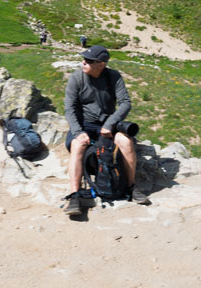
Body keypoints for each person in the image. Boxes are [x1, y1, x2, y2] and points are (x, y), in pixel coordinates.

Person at [63, 45, 150, 214]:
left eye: (89, 61)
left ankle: (131, 187)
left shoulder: (113, 77)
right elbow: (69, 108)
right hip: (84, 124)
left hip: (107, 123)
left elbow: (126, 103)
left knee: (125, 142)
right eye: (84, 59)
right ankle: (75, 195)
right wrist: (78, 132)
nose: (84, 63)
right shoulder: (76, 78)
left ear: (101, 64)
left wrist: (109, 124)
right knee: (77, 145)